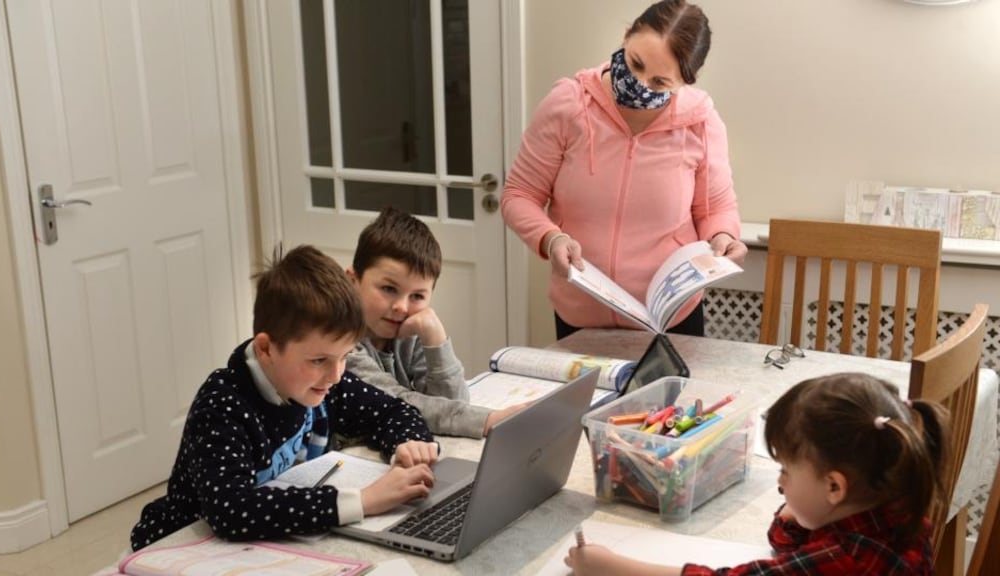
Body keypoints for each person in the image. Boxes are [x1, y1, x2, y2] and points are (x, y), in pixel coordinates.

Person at [130, 245, 439, 551]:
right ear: (266, 349)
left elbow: (392, 411)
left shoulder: (321, 380)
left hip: (261, 546)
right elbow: (231, 510)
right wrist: (363, 501)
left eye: (344, 356)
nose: (335, 374)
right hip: (177, 546)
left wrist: (408, 443)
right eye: (319, 360)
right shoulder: (222, 406)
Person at [501, 0, 748, 340]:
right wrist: (550, 237)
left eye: (660, 82)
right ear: (626, 35)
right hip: (581, 311)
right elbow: (519, 195)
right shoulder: (567, 106)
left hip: (671, 315)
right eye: (635, 63)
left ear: (686, 81)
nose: (639, 83)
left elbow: (716, 208)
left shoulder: (701, 124)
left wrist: (723, 237)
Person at [565, 372, 950, 575]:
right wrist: (799, 511)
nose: (780, 483)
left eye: (786, 471)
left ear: (834, 486)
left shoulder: (848, 559)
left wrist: (610, 569)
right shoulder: (893, 505)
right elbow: (787, 543)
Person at [345, 207, 523, 438]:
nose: (402, 307)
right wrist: (486, 420)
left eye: (417, 296)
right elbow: (396, 405)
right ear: (352, 280)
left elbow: (452, 403)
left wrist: (435, 337)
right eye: (388, 289)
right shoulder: (339, 343)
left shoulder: (410, 328)